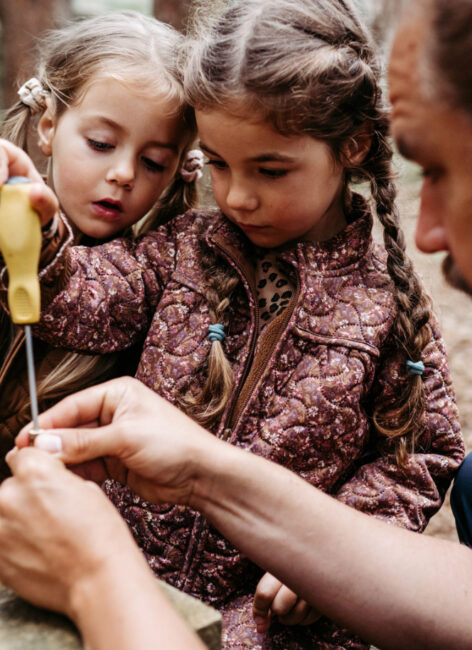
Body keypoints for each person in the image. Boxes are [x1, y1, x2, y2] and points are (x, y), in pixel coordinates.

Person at [0, 1, 470, 647]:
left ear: (352, 146)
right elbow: (91, 302)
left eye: (269, 170)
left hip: (274, 615)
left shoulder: (390, 304)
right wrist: (39, 236)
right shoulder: (182, 248)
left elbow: (420, 450)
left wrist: (344, 539)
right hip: (134, 574)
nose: (237, 196)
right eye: (218, 164)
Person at [0, 10, 200, 479]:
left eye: (152, 162)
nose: (124, 174)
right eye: (101, 143)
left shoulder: (153, 293)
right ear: (49, 125)